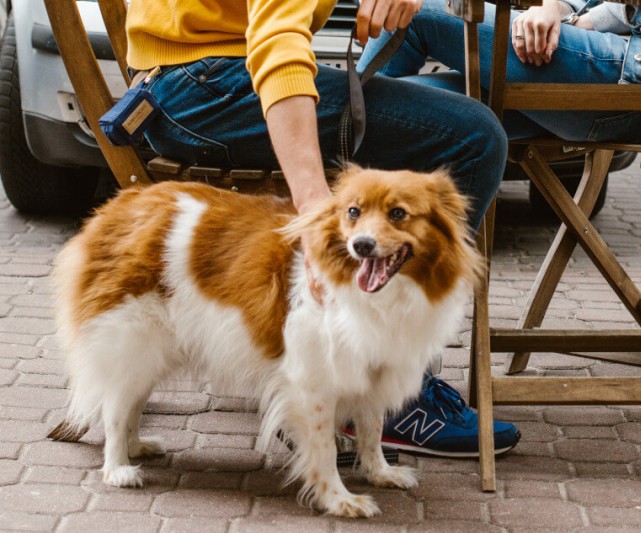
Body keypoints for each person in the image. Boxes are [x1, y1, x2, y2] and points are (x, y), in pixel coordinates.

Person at [124, 0, 521, 457]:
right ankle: (380, 396)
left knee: (447, 107)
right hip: (205, 84)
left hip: (189, 70)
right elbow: (277, 42)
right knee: (474, 137)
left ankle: (358, 368)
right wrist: (316, 211)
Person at [358, 0, 641, 145]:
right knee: (401, 104)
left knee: (414, 14)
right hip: (628, 81)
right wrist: (557, 7)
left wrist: (581, 18)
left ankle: (327, 139)